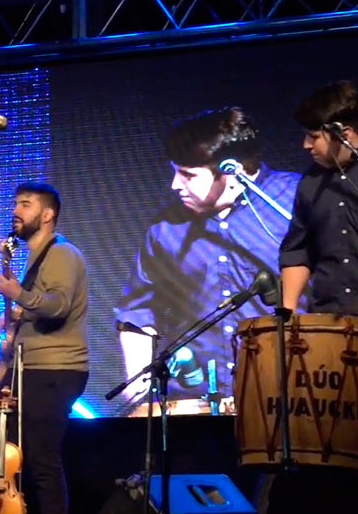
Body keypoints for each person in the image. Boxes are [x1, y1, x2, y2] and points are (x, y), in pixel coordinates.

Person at [114, 107, 303, 415]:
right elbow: (138, 310)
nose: (175, 184)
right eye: (175, 171)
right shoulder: (165, 229)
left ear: (232, 170)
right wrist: (138, 393)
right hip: (197, 402)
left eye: (188, 174)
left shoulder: (294, 199)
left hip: (289, 393)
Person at [279, 80, 358, 493]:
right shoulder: (312, 184)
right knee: (337, 454)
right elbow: (297, 252)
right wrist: (288, 310)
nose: (305, 145)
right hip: (333, 344)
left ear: (341, 133)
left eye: (313, 136)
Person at [0, 181, 89, 514]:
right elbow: (32, 312)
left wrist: (18, 296)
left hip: (54, 367)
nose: (16, 211)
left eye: (25, 204)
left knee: (41, 455)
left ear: (47, 214)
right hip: (25, 368)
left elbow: (56, 306)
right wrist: (12, 325)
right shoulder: (32, 260)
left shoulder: (62, 253)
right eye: (15, 204)